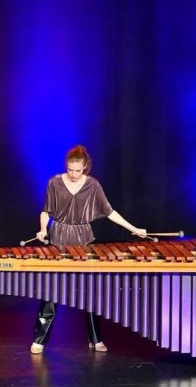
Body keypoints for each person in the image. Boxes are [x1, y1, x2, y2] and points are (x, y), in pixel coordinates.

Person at [30, 145, 146, 354]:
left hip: (84, 240)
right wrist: (42, 230)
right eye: (70, 169)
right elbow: (46, 211)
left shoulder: (93, 185)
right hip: (60, 239)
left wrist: (134, 229)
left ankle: (95, 339)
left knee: (90, 292)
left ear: (85, 167)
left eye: (78, 170)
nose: (73, 174)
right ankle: (39, 339)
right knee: (51, 292)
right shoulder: (54, 182)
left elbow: (110, 212)